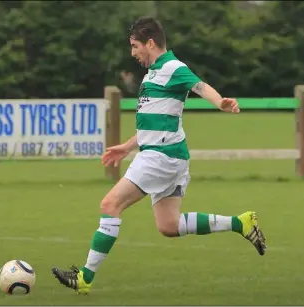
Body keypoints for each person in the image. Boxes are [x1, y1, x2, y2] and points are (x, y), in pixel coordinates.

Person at [51, 16, 267, 295]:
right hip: (170, 155)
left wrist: (221, 103)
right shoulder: (152, 73)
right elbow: (155, 122)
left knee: (110, 204)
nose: (133, 52)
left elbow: (200, 86)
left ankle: (85, 278)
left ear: (150, 43)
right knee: (168, 225)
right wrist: (128, 146)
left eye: (134, 46)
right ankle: (240, 223)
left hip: (160, 157)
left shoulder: (173, 67)